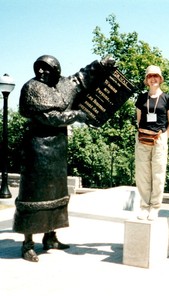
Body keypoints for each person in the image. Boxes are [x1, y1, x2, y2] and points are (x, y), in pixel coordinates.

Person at [13, 54, 116, 262]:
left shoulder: (62, 85)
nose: (41, 72)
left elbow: (81, 78)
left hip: (57, 151)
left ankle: (50, 237)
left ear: (55, 72)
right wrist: (76, 115)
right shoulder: (32, 88)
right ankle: (28, 244)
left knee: (56, 192)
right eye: (39, 68)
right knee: (34, 195)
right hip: (37, 150)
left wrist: (101, 65)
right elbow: (48, 118)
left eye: (46, 69)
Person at [135, 65, 169, 220]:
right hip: (143, 140)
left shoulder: (167, 99)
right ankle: (144, 207)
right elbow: (139, 120)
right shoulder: (141, 98)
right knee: (142, 175)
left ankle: (155, 207)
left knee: (158, 175)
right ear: (147, 79)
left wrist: (164, 137)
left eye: (156, 76)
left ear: (160, 79)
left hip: (159, 140)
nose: (153, 79)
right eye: (150, 76)